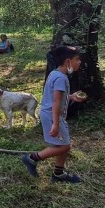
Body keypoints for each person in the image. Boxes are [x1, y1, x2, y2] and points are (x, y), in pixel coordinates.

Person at [21, 46, 86, 183]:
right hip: (53, 115)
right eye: (77, 59)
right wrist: (56, 124)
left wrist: (71, 97)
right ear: (68, 62)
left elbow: (56, 96)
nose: (79, 62)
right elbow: (56, 102)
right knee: (65, 146)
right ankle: (32, 158)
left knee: (61, 144)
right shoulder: (61, 78)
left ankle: (58, 173)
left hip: (51, 114)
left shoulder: (54, 73)